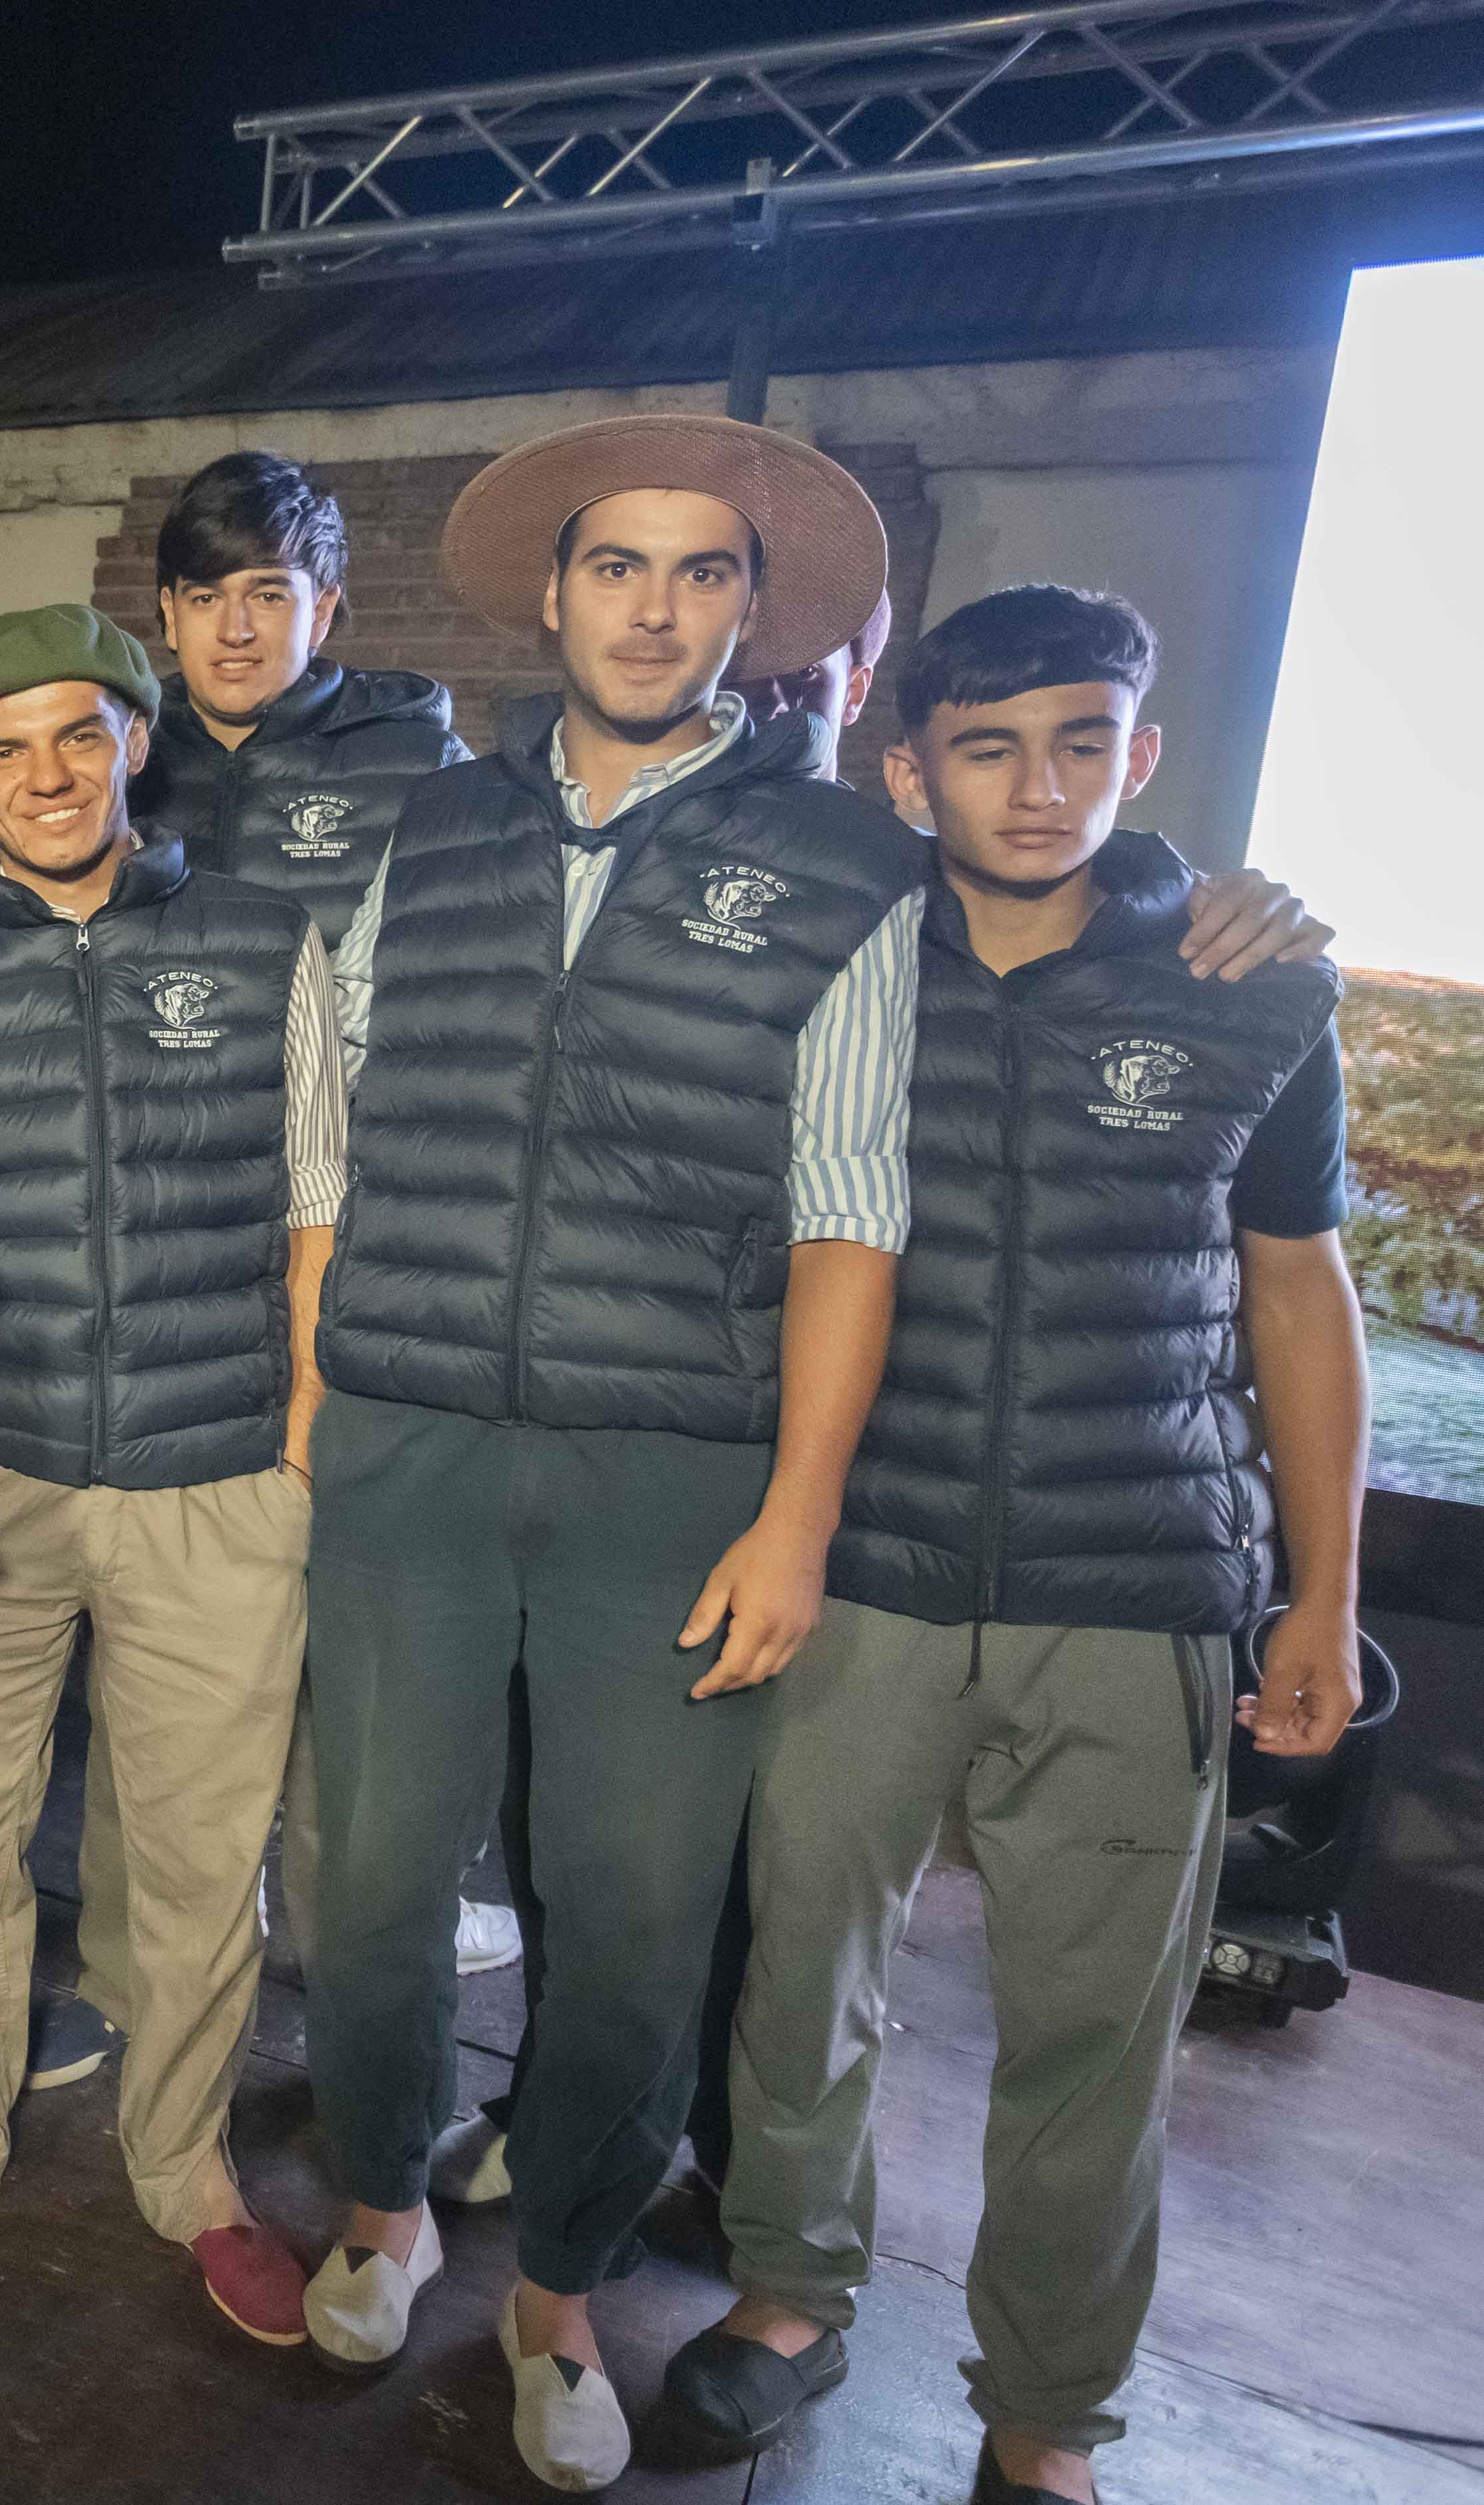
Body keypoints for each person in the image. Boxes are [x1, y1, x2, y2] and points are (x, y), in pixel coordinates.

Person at [663, 587, 1366, 2505]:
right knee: (802, 1969)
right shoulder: (835, 960)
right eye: (986, 748)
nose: (1036, 786)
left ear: (1141, 756)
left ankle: (1045, 2413)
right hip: (862, 1565)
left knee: (1094, 2029)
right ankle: (788, 2295)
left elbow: (1297, 1292)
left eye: (1080, 743)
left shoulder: (1244, 984)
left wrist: (1321, 1594)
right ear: (910, 771)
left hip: (1132, 1583)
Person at [296, 415, 930, 2492]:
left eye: (701, 571)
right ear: (554, 594)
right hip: (410, 1439)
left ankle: (560, 2288)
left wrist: (796, 1510)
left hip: (670, 1476)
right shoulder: (431, 829)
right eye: (619, 566)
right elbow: (328, 1114)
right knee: (373, 1880)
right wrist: (317, 1371)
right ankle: (381, 2205)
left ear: (752, 612)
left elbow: (850, 1208)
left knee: (638, 1913)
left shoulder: (842, 869)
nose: (655, 608)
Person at [0, 605, 341, 2350]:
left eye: (78, 733)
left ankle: (187, 2166)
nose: (44, 774)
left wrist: (299, 1439)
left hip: (219, 1476)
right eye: (4, 749)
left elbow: (318, 1205)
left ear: (136, 740)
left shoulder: (265, 941)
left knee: (200, 1857)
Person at [34, 448, 491, 2096]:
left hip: (348, 1256)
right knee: (150, 1650)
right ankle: (122, 1981)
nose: (235, 628)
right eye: (205, 597)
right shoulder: (121, 756)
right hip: (157, 1259)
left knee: (331, 1658)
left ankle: (336, 2006)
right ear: (162, 615)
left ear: (326, 606)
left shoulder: (416, 767)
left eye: (268, 595)